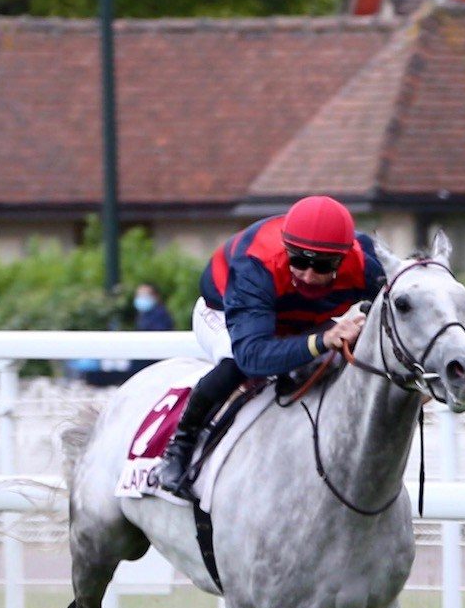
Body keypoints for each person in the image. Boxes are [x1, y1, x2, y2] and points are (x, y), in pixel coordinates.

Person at [151, 196, 383, 499]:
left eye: (323, 266)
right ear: (286, 249)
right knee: (234, 365)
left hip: (298, 318)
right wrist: (322, 340)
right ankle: (178, 448)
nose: (309, 275)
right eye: (298, 261)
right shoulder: (255, 264)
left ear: (344, 257)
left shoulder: (366, 262)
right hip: (225, 312)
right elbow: (253, 358)